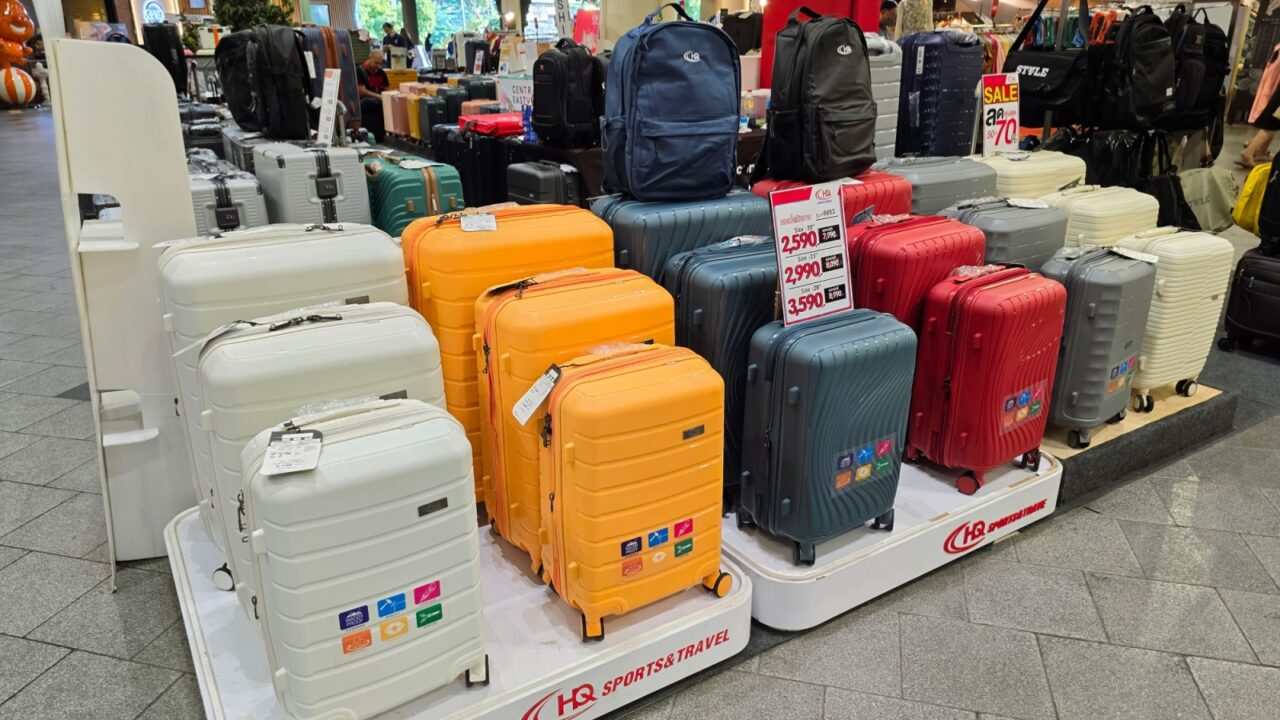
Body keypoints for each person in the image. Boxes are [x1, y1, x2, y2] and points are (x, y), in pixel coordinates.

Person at [357, 49, 389, 139]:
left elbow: (387, 88)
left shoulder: (381, 73)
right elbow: (362, 91)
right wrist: (379, 96)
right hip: (363, 100)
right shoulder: (360, 71)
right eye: (376, 63)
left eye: (380, 63)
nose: (378, 66)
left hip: (378, 99)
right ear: (369, 58)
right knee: (370, 103)